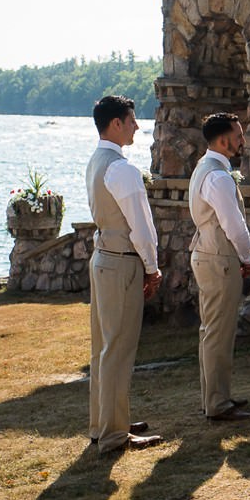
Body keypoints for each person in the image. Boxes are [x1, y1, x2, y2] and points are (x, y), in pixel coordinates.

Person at [84, 94, 164, 452]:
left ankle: (104, 422)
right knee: (118, 349)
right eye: (132, 120)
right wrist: (152, 268)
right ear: (116, 123)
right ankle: (115, 434)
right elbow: (141, 226)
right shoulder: (123, 168)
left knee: (103, 346)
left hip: (102, 258)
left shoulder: (96, 162)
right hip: (121, 262)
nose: (136, 127)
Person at [188, 112, 250, 423]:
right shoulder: (218, 176)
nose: (243, 141)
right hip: (218, 257)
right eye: (238, 135)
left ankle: (214, 397)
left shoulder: (203, 168)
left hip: (206, 252)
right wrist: (247, 258)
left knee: (211, 331)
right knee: (219, 332)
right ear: (223, 140)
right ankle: (218, 403)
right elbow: (234, 225)